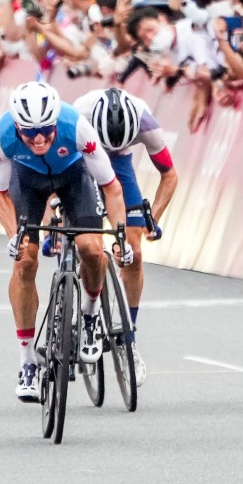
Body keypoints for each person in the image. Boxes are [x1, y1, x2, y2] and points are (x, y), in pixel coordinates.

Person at [0, 82, 132, 402]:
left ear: (56, 122)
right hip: (27, 182)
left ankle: (91, 313)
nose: (39, 138)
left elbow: (111, 187)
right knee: (25, 260)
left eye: (46, 130)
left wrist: (120, 234)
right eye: (30, 132)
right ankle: (27, 361)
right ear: (17, 127)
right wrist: (15, 235)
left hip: (74, 178)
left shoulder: (77, 127)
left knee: (92, 249)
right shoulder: (2, 136)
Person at [72, 87, 180, 385]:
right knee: (86, 241)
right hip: (82, 161)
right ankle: (83, 313)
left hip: (119, 165)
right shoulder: (77, 115)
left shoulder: (146, 122)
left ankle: (128, 338)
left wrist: (152, 219)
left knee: (134, 252)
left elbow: (169, 175)